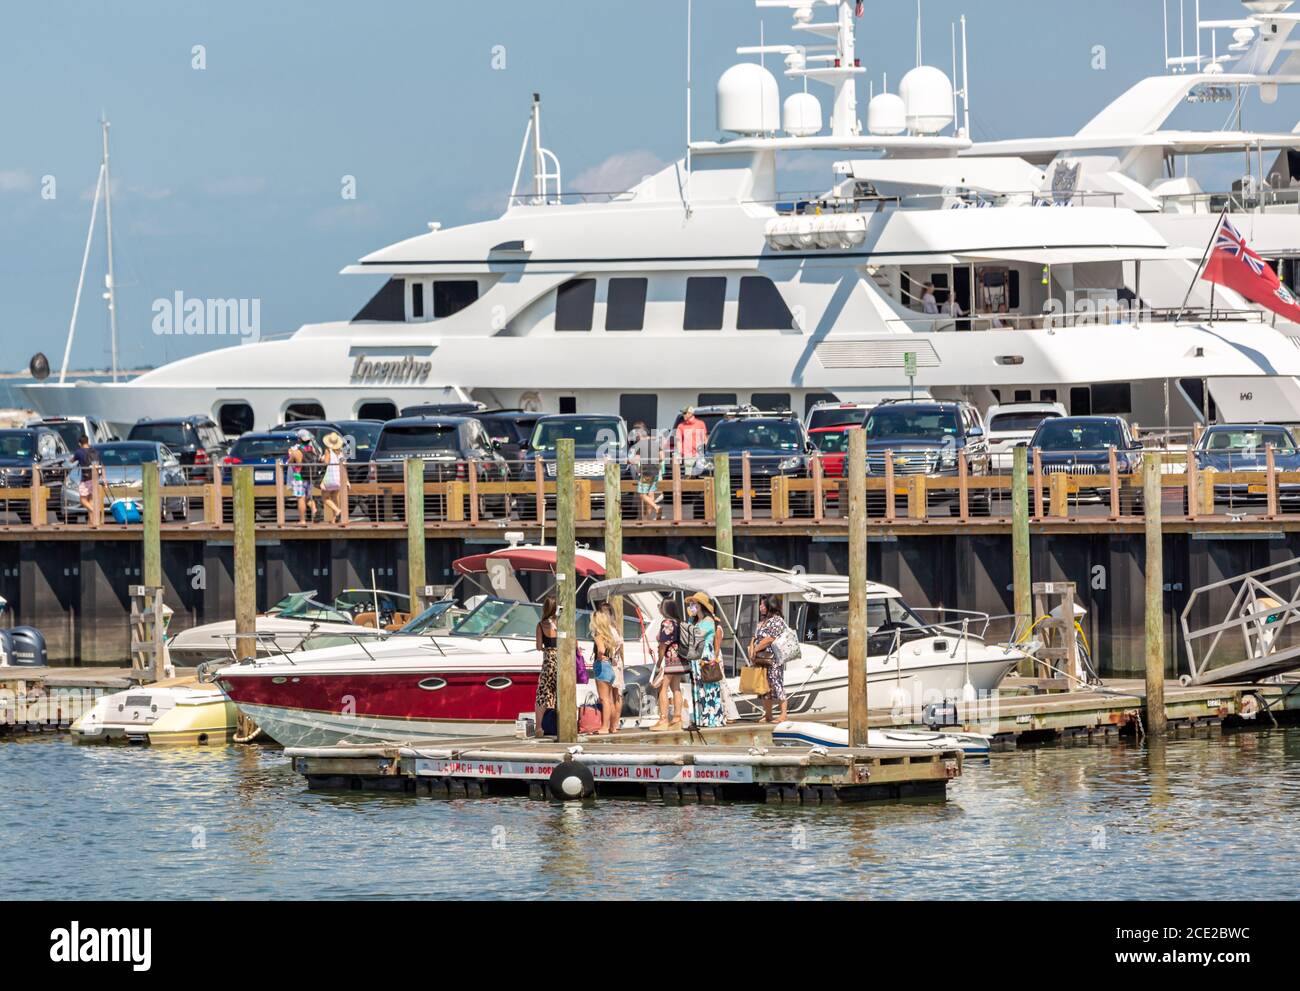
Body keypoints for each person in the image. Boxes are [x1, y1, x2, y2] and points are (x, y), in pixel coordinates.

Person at [685, 592, 725, 728]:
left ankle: (712, 718)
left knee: (709, 686)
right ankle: (701, 718)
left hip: (705, 655)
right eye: (690, 604)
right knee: (698, 687)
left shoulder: (709, 621)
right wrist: (691, 618)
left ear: (700, 605)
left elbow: (696, 636)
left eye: (694, 604)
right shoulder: (695, 621)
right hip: (696, 656)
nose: (691, 607)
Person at [750, 594, 790, 724]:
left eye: (763, 604)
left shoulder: (777, 620)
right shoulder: (762, 621)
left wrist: (755, 649)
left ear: (770, 606)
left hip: (773, 658)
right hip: (761, 658)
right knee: (765, 686)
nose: (760, 607)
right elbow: (754, 637)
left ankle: (783, 714)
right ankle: (768, 714)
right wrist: (752, 648)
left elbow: (770, 639)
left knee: (777, 684)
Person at [652, 598, 687, 731]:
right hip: (680, 658)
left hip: (669, 658)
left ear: (664, 609)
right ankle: (677, 718)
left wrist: (659, 661)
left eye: (660, 606)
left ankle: (663, 719)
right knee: (676, 688)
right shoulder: (679, 622)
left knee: (662, 688)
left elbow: (662, 645)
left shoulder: (666, 623)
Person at [590, 602, 624, 735]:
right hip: (614, 664)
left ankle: (605, 727)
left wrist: (599, 657)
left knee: (605, 699)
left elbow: (601, 649)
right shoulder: (615, 630)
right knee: (613, 698)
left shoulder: (599, 633)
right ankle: (613, 726)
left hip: (604, 665)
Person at [534, 596, 559, 737]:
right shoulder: (561, 623)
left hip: (548, 661)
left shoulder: (541, 625)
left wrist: (547, 650)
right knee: (560, 693)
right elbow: (573, 644)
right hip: (561, 660)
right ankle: (560, 725)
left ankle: (539, 728)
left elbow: (538, 646)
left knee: (542, 694)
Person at [288, 429, 317, 525]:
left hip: (299, 477)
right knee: (308, 497)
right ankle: (314, 508)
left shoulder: (296, 452)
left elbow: (290, 462)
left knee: (300, 498)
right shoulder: (312, 450)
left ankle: (302, 520)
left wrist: (290, 455)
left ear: (299, 439)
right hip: (309, 476)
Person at [321, 432, 346, 524]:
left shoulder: (328, 450)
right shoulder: (340, 451)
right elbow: (344, 464)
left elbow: (326, 463)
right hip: (338, 477)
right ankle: (334, 519)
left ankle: (337, 511)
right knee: (335, 497)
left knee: (325, 497)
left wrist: (322, 459)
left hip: (330, 477)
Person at [673, 407, 708, 475]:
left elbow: (704, 439)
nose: (683, 415)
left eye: (684, 413)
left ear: (690, 414)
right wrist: (679, 454)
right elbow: (679, 441)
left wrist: (706, 451)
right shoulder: (681, 426)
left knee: (700, 475)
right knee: (688, 475)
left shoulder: (700, 424)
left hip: (699, 455)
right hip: (688, 456)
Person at [71, 434, 97, 518]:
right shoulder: (93, 451)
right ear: (87, 441)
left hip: (85, 479)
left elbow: (71, 461)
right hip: (94, 478)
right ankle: (92, 522)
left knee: (82, 500)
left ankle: (94, 512)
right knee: (90, 500)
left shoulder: (79, 452)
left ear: (79, 443)